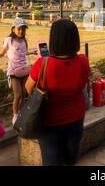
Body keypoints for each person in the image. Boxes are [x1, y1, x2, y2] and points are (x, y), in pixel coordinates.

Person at [25, 19, 90, 166]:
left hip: (49, 123)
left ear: (53, 39)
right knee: (71, 159)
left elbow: (28, 88)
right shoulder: (83, 61)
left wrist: (43, 60)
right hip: (76, 119)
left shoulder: (43, 64)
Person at [0, 18, 37, 125]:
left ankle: (22, 114)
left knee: (24, 94)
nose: (21, 31)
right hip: (13, 71)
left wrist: (32, 52)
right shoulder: (9, 40)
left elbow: (23, 53)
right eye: (19, 29)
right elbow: (1, 53)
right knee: (18, 95)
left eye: (24, 29)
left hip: (24, 70)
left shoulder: (24, 40)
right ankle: (15, 116)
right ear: (13, 29)